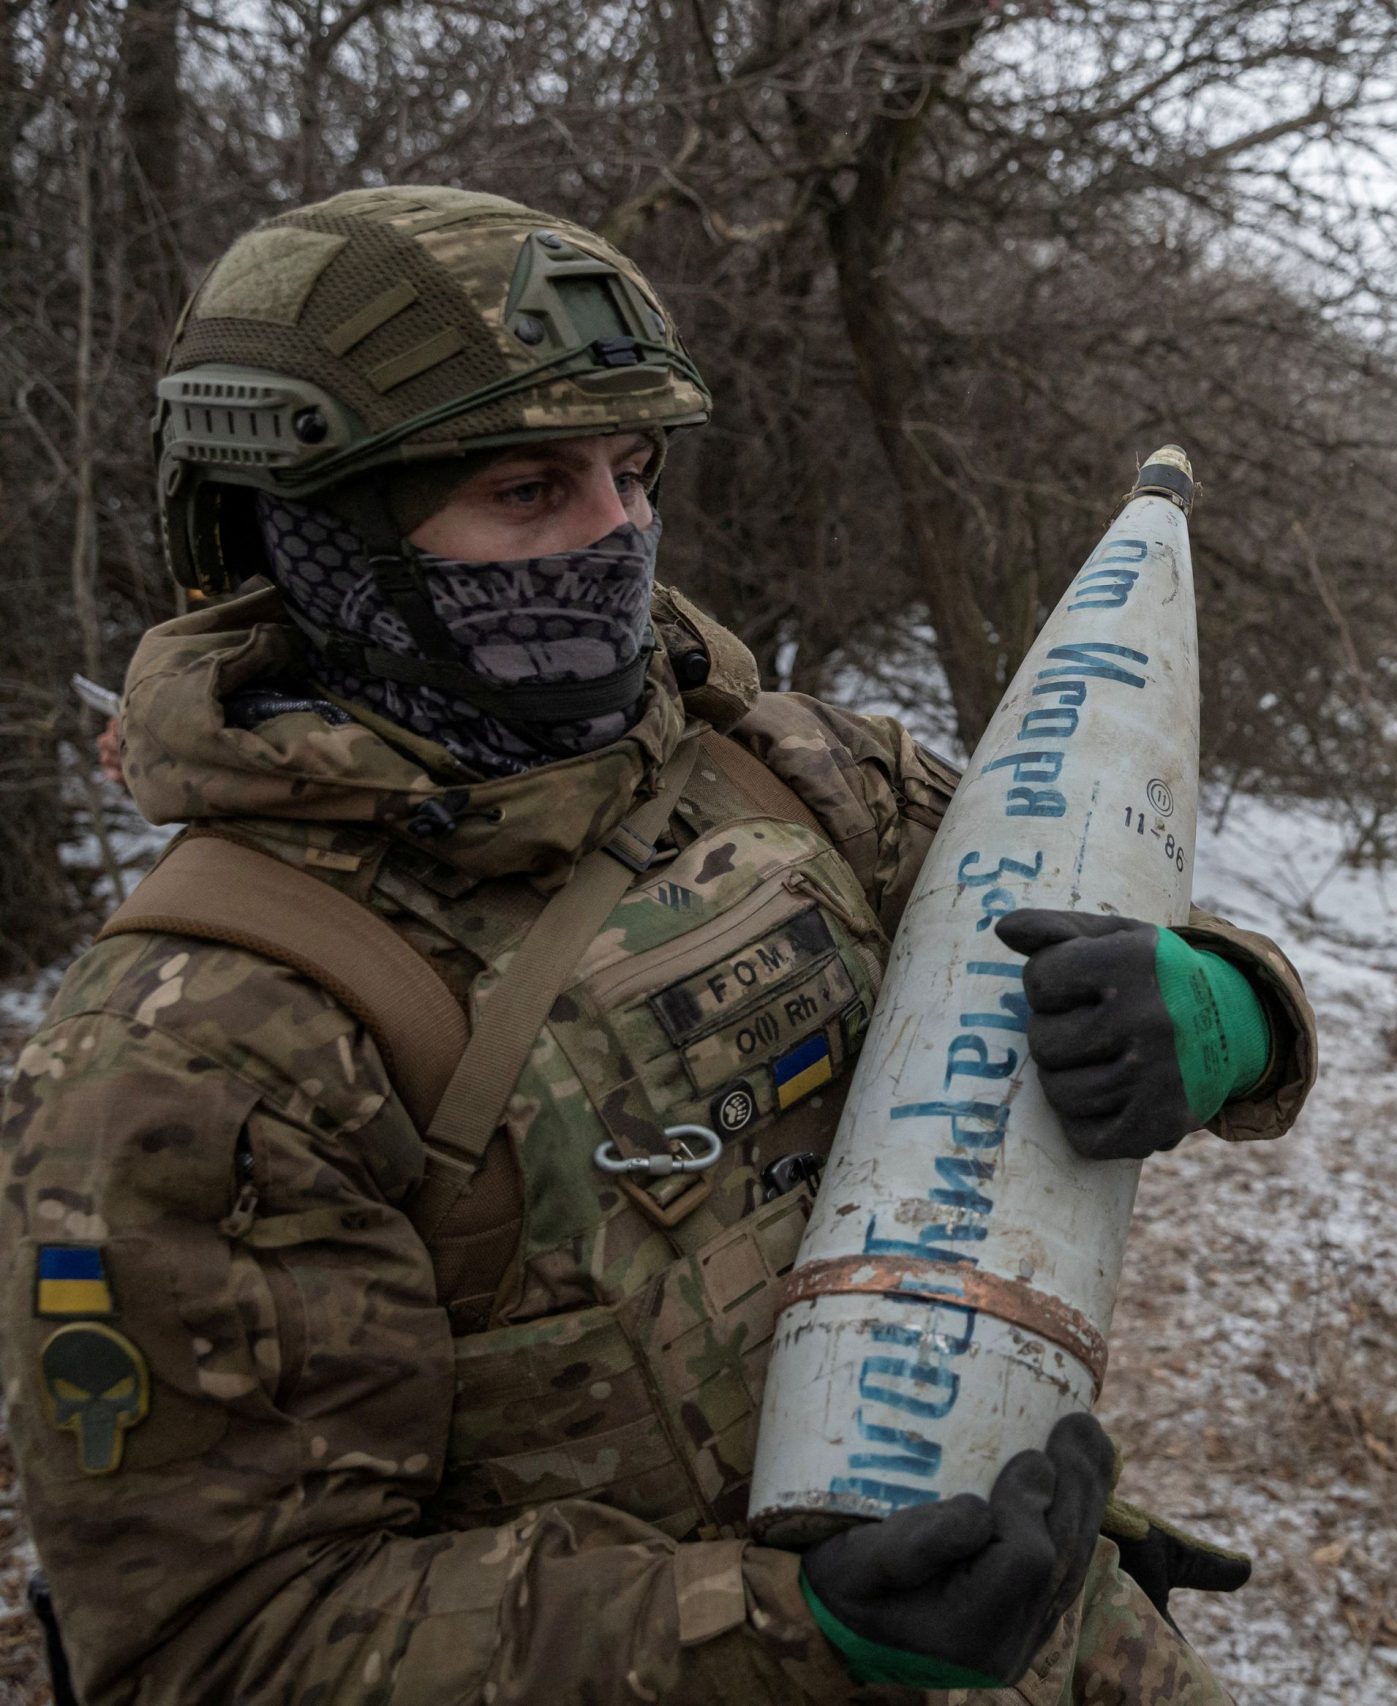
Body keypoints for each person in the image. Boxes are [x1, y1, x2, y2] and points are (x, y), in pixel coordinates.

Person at [0, 186, 1317, 1705]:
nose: (616, 533)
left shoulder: (788, 768)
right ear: (319, 531)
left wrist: (1225, 1015)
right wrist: (782, 1632)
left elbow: (1095, 910)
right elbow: (225, 1645)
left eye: (631, 472)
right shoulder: (198, 1041)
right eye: (527, 488)